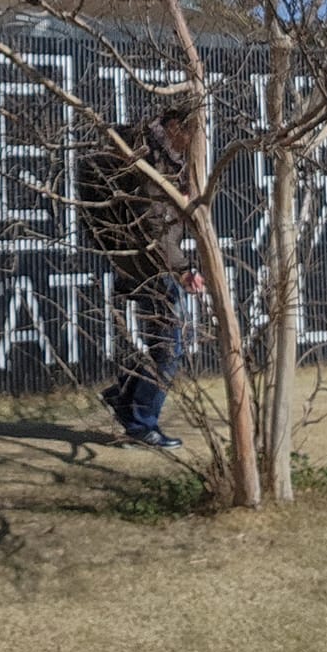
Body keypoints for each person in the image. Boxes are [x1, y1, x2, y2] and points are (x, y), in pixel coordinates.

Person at [87, 99, 205, 450]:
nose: (195, 141)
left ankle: (124, 398)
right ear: (175, 127)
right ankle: (140, 424)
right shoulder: (151, 162)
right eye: (193, 132)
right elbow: (153, 226)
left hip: (137, 264)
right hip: (150, 268)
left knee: (163, 347)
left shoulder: (157, 155)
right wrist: (182, 269)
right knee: (169, 349)